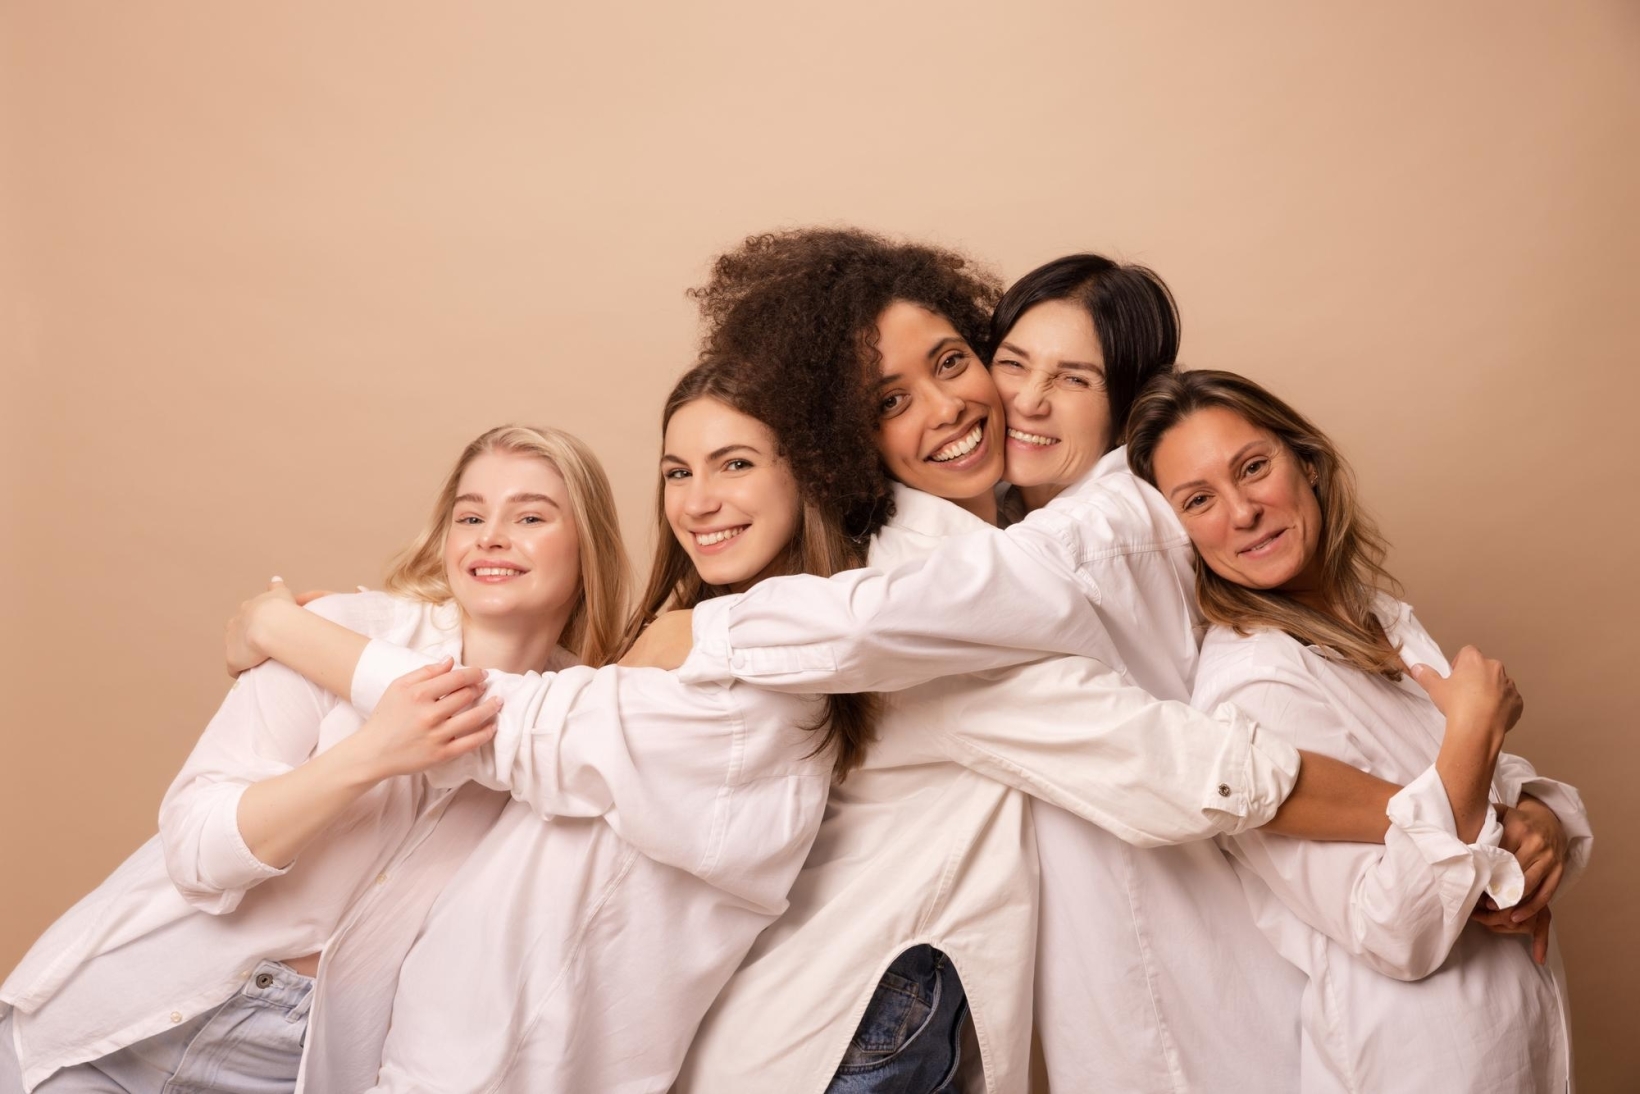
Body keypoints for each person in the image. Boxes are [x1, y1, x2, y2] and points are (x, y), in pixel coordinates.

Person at [635, 229, 1409, 1094]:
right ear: (847, 436)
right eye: (890, 401)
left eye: (954, 362)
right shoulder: (920, 589)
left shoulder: (1034, 525)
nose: (948, 407)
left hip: (898, 1022)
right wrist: (1438, 822)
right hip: (858, 1035)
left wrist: (1498, 792)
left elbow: (1322, 641)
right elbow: (1160, 763)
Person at [219, 354, 879, 1091]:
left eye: (734, 464)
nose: (697, 502)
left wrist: (282, 628)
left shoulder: (751, 699)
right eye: (677, 472)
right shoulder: (669, 653)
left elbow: (500, 724)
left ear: (807, 477)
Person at [0, 425, 630, 1093]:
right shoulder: (337, 632)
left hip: (300, 1068)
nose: (490, 536)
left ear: (587, 545)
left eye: (530, 516)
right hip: (122, 1021)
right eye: (469, 515)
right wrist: (371, 754)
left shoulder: (579, 728)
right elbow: (194, 849)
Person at [1125, 368, 1590, 1093]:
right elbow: (1396, 932)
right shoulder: (1255, 689)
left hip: (1513, 1049)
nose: (1242, 512)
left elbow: (1480, 799)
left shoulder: (1377, 619)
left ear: (1305, 462)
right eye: (1199, 501)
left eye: (1253, 468)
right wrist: (1472, 734)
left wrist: (1541, 819)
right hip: (1421, 1066)